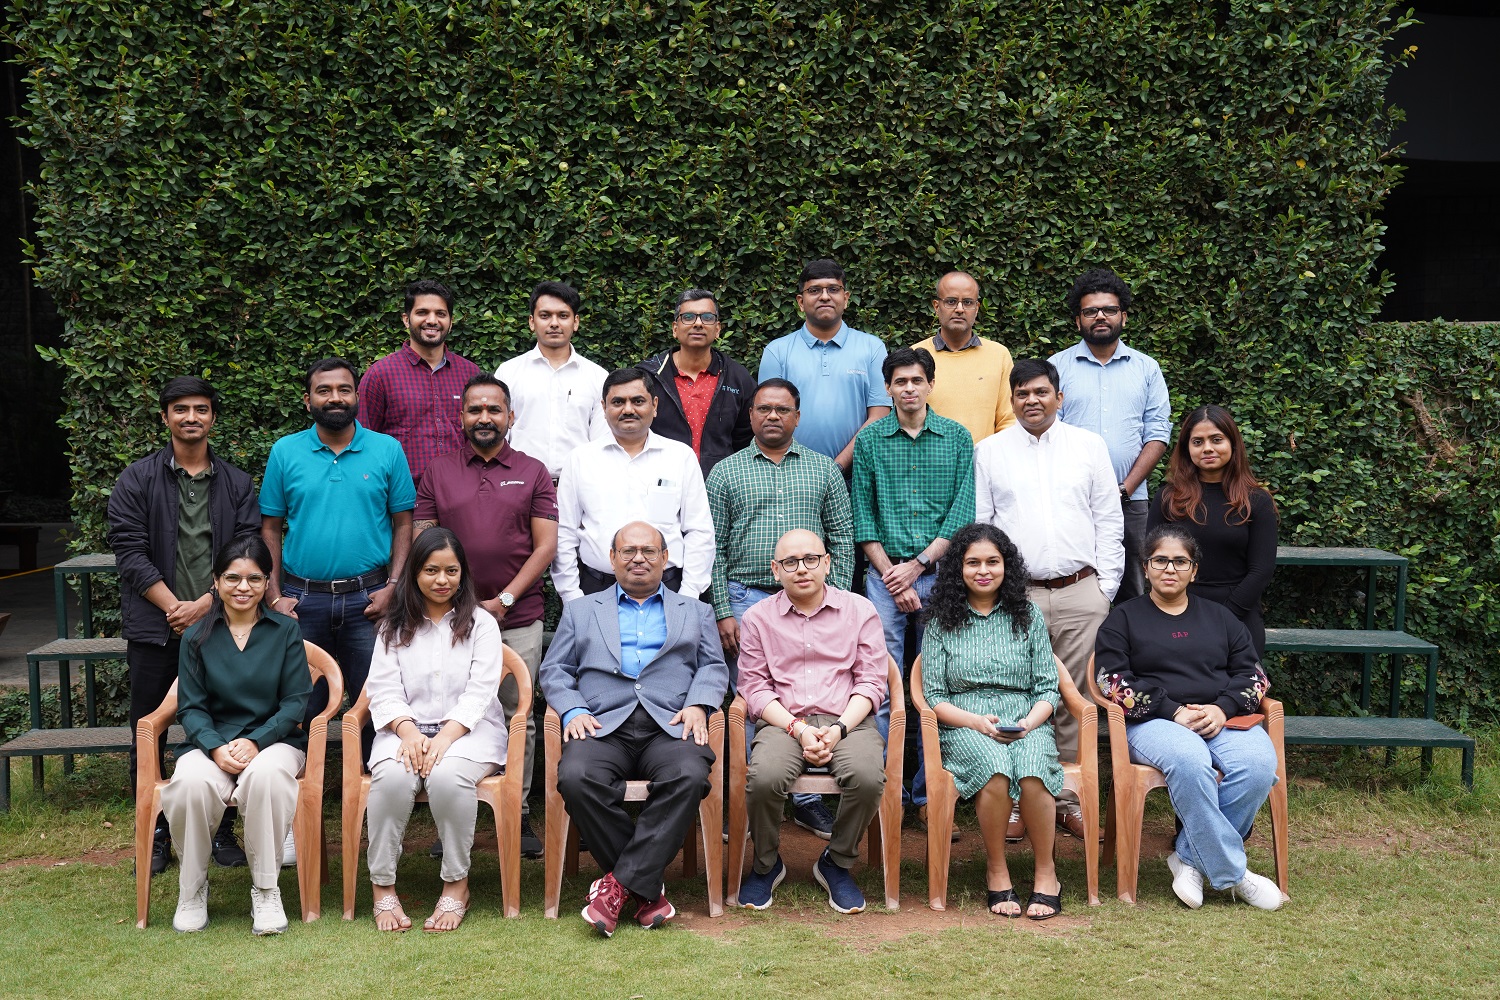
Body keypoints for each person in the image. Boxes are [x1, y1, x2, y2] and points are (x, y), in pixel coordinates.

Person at [540, 521, 731, 937]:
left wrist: (700, 703)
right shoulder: (581, 611)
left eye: (648, 551)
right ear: (611, 559)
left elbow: (715, 667)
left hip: (671, 724)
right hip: (601, 724)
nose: (638, 558)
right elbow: (554, 670)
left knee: (690, 774)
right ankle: (646, 888)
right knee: (574, 777)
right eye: (627, 551)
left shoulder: (695, 612)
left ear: (666, 559)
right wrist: (571, 709)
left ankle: (616, 885)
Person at [107, 376, 259, 876]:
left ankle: (218, 829)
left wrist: (207, 604)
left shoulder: (236, 483)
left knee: (217, 724)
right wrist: (177, 607)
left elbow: (246, 548)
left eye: (200, 408)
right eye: (180, 409)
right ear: (166, 416)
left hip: (221, 625)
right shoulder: (137, 479)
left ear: (213, 416)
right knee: (148, 732)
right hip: (156, 628)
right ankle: (153, 837)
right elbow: (129, 551)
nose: (191, 417)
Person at [1094, 524, 1284, 911]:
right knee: (1189, 761)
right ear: (1145, 568)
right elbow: (1111, 680)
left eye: (1180, 561)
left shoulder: (1222, 618)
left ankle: (1190, 857)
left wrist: (1222, 707)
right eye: (1160, 560)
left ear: (1194, 570)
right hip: (1154, 722)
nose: (1170, 568)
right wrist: (1173, 711)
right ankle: (1234, 874)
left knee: (1259, 765)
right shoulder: (1123, 619)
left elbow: (1254, 674)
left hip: (1220, 718)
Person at [974, 358, 1121, 842]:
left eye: (1041, 392)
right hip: (1017, 596)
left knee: (1075, 699)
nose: (1031, 401)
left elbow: (1108, 518)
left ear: (1059, 397)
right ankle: (1019, 799)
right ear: (1011, 400)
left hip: (1081, 593)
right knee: (1019, 694)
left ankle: (1068, 801)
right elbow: (984, 525)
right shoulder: (991, 451)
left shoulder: (1089, 447)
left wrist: (1104, 589)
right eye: (1021, 394)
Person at [260, 357, 416, 805]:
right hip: (300, 602)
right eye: (324, 390)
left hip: (368, 601)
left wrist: (395, 586)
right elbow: (270, 528)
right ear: (308, 399)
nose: (335, 398)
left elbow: (403, 522)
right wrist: (274, 595)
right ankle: (292, 809)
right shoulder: (285, 452)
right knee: (296, 705)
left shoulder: (386, 449)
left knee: (376, 705)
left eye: (344, 390)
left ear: (356, 397)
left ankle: (375, 805)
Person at [414, 373, 557, 858]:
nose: (484, 418)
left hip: (518, 616)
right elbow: (424, 541)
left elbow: (546, 547)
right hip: (449, 618)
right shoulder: (437, 471)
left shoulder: (533, 470)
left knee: (521, 714)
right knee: (448, 710)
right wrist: (452, 602)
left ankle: (515, 814)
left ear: (510, 417)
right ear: (462, 418)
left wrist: (505, 602)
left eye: (494, 410)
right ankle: (451, 814)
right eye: (474, 410)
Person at [705, 377, 854, 838]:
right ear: (751, 415)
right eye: (764, 409)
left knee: (807, 693)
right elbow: (713, 547)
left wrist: (837, 601)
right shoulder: (726, 472)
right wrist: (723, 609)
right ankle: (753, 798)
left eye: (783, 409)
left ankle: (808, 798)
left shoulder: (823, 471)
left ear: (797, 416)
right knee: (752, 702)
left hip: (813, 600)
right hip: (747, 599)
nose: (773, 416)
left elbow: (842, 538)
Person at [161, 535, 312, 935]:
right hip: (211, 743)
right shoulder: (195, 637)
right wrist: (213, 747)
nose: (243, 587)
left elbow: (296, 702)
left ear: (267, 583)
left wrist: (256, 741)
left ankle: (266, 889)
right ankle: (191, 890)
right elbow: (190, 707)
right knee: (189, 782)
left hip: (276, 742)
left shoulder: (285, 632)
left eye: (254, 578)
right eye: (232, 577)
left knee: (265, 776)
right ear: (215, 580)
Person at [363, 528, 508, 933]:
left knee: (447, 776)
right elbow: (384, 688)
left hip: (470, 732)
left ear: (463, 574)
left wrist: (444, 738)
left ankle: (456, 883)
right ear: (414, 573)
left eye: (451, 571)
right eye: (430, 570)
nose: (441, 580)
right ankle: (382, 886)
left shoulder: (481, 623)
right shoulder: (393, 626)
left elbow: (481, 692)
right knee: (391, 777)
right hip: (404, 729)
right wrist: (408, 734)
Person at [735, 530, 887, 913]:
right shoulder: (757, 618)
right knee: (765, 778)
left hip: (847, 719)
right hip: (784, 721)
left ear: (828, 562)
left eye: (810, 559)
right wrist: (799, 729)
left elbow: (871, 681)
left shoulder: (860, 611)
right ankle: (766, 864)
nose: (801, 569)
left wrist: (836, 731)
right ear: (775, 570)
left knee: (868, 778)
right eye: (790, 562)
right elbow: (754, 687)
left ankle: (836, 862)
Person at [852, 346, 975, 820]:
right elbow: (863, 515)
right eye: (899, 381)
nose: (907, 388)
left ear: (929, 385)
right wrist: (893, 574)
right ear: (888, 388)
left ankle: (928, 796)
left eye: (916, 380)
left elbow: (962, 514)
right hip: (885, 577)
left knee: (935, 685)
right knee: (880, 683)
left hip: (941, 576)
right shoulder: (871, 441)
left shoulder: (957, 438)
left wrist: (919, 566)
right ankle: (883, 791)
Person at [920, 523, 1065, 919]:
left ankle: (1045, 871)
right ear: (958, 570)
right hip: (966, 721)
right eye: (972, 563)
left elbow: (1048, 689)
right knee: (995, 769)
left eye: (992, 562)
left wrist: (1031, 724)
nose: (983, 570)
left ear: (1007, 566)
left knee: (1034, 768)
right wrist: (977, 723)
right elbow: (934, 697)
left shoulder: (1027, 614)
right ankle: (997, 868)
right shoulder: (941, 621)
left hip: (1026, 717)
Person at [1048, 267, 1171, 604]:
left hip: (1131, 502)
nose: (1100, 316)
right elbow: (1046, 432)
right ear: (1078, 321)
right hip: (1072, 500)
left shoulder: (1146, 368)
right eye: (1090, 311)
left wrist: (1124, 488)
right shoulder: (1055, 369)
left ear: (1123, 317)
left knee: (1134, 587)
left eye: (1109, 310)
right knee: (1075, 586)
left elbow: (1158, 433)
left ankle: (1130, 657)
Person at [552, 368, 714, 604]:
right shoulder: (580, 460)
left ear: (655, 405)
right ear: (604, 407)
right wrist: (572, 597)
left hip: (669, 589)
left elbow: (699, 531)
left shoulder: (680, 457)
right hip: (596, 591)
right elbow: (564, 533)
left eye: (638, 401)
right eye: (618, 402)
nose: (628, 409)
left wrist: (689, 594)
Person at [1147, 405, 1278, 657]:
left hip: (1238, 615)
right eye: (1198, 441)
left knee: (1237, 692)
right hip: (1175, 611)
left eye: (1216, 439)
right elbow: (1154, 560)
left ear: (1233, 444)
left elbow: (1261, 570)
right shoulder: (1167, 498)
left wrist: (1223, 617)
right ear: (1187, 448)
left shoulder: (1256, 501)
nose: (1207, 448)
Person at [757, 259, 890, 472]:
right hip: (791, 475)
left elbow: (879, 416)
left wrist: (837, 466)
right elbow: (768, 419)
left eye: (833, 289)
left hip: (856, 476)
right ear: (801, 302)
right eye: (815, 290)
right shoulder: (777, 351)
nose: (825, 296)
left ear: (845, 299)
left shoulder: (872, 348)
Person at [358, 279, 482, 484]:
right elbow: (364, 441)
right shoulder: (380, 375)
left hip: (461, 493)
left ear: (451, 322)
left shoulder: (470, 373)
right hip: (403, 497)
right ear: (406, 320)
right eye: (422, 312)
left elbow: (479, 437)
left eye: (440, 314)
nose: (432, 320)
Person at [495, 280, 610, 481]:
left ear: (575, 322)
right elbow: (499, 436)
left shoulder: (597, 377)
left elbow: (602, 442)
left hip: (579, 484)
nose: (554, 323)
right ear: (532, 322)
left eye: (563, 316)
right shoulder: (508, 372)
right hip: (519, 484)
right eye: (545, 315)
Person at [636, 288, 756, 480]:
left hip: (720, 486)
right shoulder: (647, 376)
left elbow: (746, 438)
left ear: (717, 329)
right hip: (659, 483)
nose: (698, 323)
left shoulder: (738, 378)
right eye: (689, 317)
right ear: (675, 328)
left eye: (707, 317)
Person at [911, 271, 1016, 443]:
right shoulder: (916, 355)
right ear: (936, 306)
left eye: (967, 302)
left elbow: (1009, 420)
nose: (959, 309)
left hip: (983, 464)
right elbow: (905, 418)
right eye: (951, 301)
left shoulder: (999, 355)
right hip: (928, 464)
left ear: (977, 308)